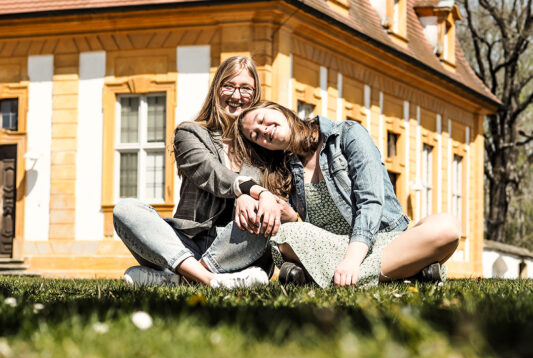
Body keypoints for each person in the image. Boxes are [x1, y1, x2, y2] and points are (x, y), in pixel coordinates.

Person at [232, 101, 461, 288]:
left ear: (277, 110)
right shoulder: (283, 170)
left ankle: (325, 276)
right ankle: (407, 271)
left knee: (446, 227)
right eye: (256, 135)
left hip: (380, 240)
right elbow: (243, 181)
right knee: (285, 233)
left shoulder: (347, 135)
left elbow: (370, 202)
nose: (264, 131)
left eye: (262, 120)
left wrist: (352, 260)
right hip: (330, 246)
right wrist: (288, 216)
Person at [113, 57, 282, 289]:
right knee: (126, 209)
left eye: (245, 89)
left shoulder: (263, 146)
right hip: (186, 243)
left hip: (236, 246)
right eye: (229, 86)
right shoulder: (190, 133)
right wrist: (246, 190)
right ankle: (210, 280)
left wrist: (255, 199)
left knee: (264, 214)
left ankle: (181, 279)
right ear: (216, 89)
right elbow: (210, 173)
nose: (236, 95)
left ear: (255, 95)